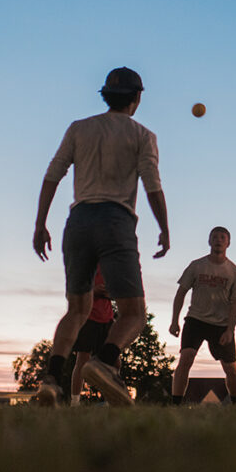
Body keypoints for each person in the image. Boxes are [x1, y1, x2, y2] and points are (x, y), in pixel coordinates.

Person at [33, 66, 170, 407]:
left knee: (76, 309)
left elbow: (53, 174)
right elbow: (152, 184)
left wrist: (40, 224)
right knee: (134, 313)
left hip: (77, 220)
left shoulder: (80, 128)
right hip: (115, 220)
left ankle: (50, 380)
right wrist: (165, 227)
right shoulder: (142, 135)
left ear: (105, 95)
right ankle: (105, 362)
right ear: (137, 98)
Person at [169, 226, 236, 405]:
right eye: (215, 237)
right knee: (185, 359)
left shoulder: (234, 272)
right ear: (209, 241)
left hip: (221, 325)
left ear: (228, 243)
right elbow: (181, 293)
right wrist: (174, 321)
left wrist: (230, 330)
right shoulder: (197, 265)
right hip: (196, 320)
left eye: (222, 237)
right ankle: (175, 404)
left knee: (231, 369)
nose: (218, 240)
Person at [70, 270, 115, 405]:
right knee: (82, 360)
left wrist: (110, 292)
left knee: (114, 361)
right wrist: (93, 290)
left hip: (107, 319)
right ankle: (75, 402)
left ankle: (106, 400)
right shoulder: (86, 263)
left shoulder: (110, 266)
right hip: (87, 317)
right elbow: (75, 290)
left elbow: (119, 292)